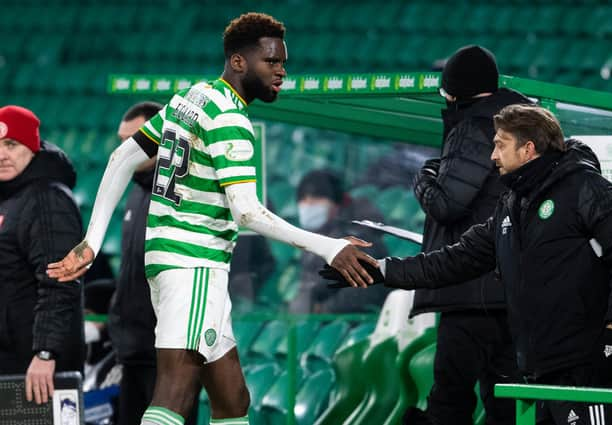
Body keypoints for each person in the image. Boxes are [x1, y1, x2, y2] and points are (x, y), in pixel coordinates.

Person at [47, 13, 377, 425]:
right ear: (239, 62)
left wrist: (92, 242)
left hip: (172, 263)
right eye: (271, 62)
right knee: (174, 392)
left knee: (233, 398)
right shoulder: (230, 120)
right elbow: (248, 212)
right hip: (195, 264)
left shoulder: (194, 97)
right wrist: (329, 246)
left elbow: (121, 158)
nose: (281, 71)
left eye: (283, 62)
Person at [321, 104, 612, 425]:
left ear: (528, 149)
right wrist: (380, 271)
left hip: (584, 365)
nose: (492, 156)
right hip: (534, 370)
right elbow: (453, 260)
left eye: (501, 144)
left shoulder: (585, 189)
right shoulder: (512, 205)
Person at [406, 45, 532, 425]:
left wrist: (424, 177)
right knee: (506, 401)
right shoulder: (526, 127)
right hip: (513, 291)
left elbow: (447, 203)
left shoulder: (475, 127)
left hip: (470, 290)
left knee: (450, 399)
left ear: (453, 90)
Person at [107, 101, 200, 425]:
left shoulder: (185, 193)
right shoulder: (135, 191)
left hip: (168, 352)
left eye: (135, 139)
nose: (127, 149)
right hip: (134, 348)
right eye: (122, 141)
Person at [0, 105, 84, 404]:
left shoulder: (47, 197)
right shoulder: (11, 198)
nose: (1, 155)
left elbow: (59, 281)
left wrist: (46, 353)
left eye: (11, 145)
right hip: (12, 358)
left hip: (37, 365)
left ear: (32, 148)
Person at [290, 169, 390, 313]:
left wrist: (324, 309)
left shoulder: (359, 239)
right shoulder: (313, 239)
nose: (308, 204)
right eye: (303, 199)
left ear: (336, 204)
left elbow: (364, 289)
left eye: (316, 198)